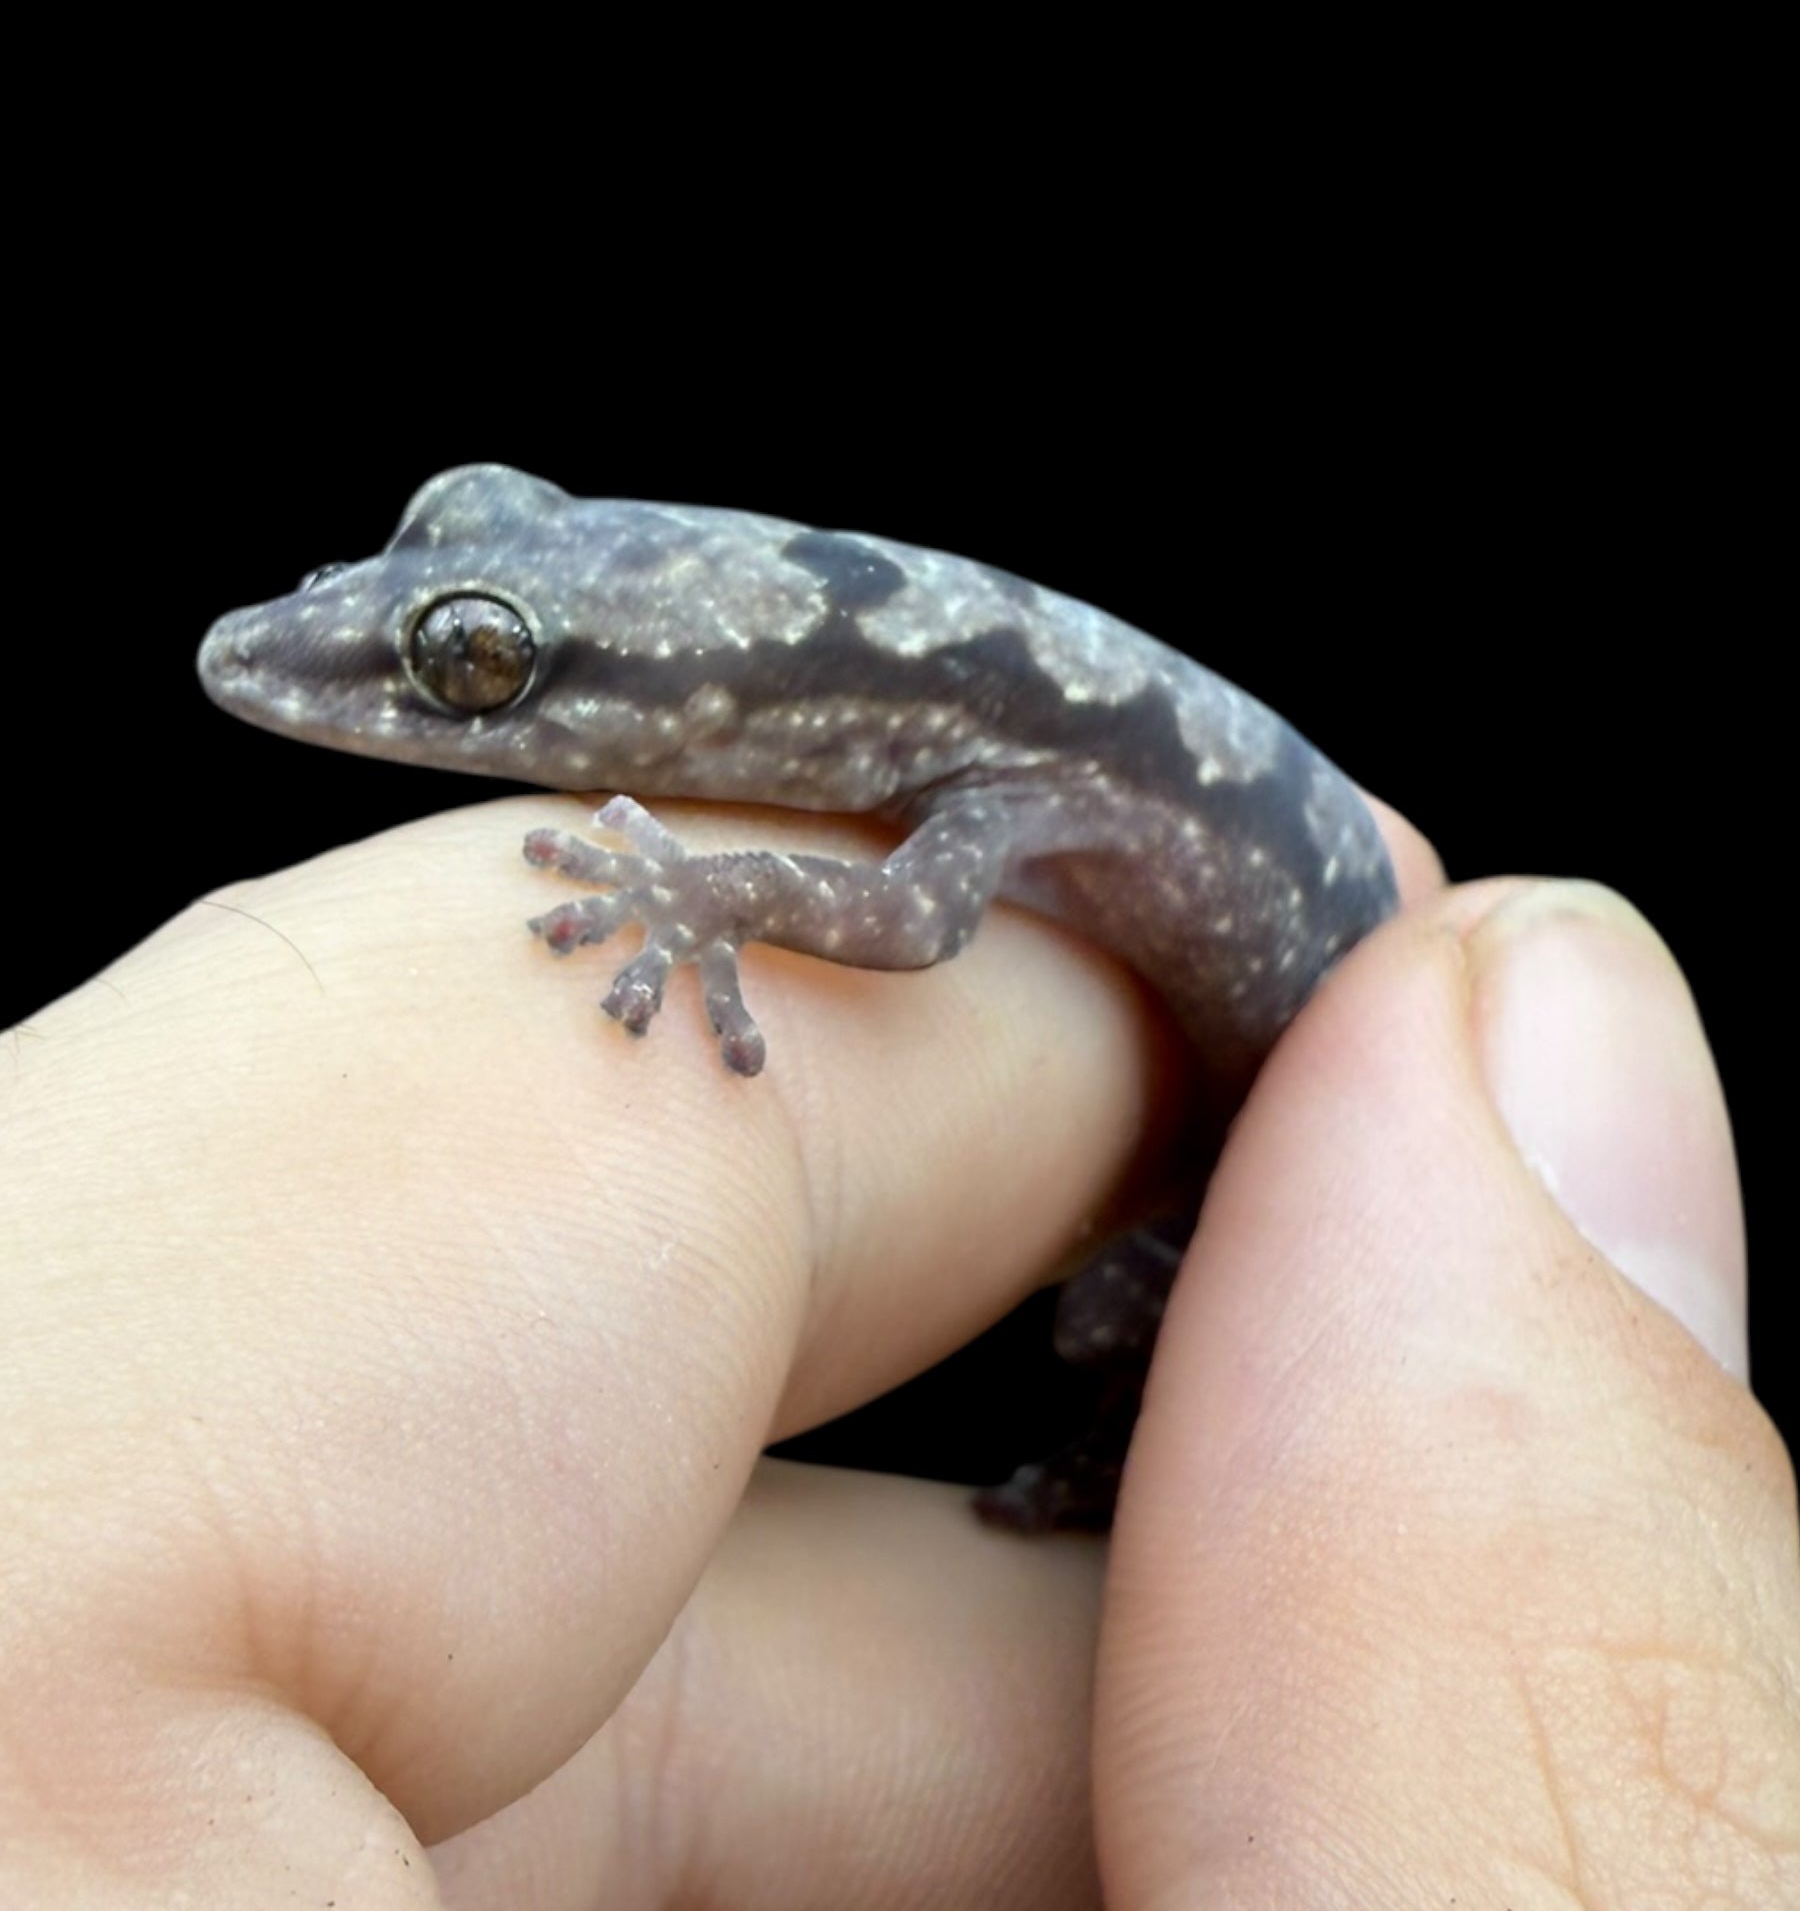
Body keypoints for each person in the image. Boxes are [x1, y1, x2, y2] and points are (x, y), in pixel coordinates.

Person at [2, 793, 1794, 1905]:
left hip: (1313, 1234)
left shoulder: (1005, 771)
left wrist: (703, 901)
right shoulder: (984, 757)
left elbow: (929, 920)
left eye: (476, 669)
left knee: (1117, 1325)